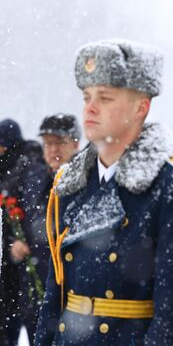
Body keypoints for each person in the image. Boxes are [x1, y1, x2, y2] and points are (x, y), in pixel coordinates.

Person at [34, 39, 173, 346]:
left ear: (140, 108)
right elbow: (56, 296)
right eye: (86, 96)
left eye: (105, 98)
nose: (90, 107)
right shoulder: (71, 182)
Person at [7, 114, 80, 345]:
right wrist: (13, 242)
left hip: (74, 298)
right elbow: (14, 217)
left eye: (59, 142)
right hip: (34, 291)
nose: (52, 149)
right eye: (47, 143)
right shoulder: (33, 177)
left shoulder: (88, 179)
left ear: (76, 143)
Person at [0, 118, 44, 346]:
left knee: (33, 320)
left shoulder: (30, 167)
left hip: (29, 260)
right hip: (13, 261)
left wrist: (25, 242)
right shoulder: (12, 168)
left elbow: (35, 211)